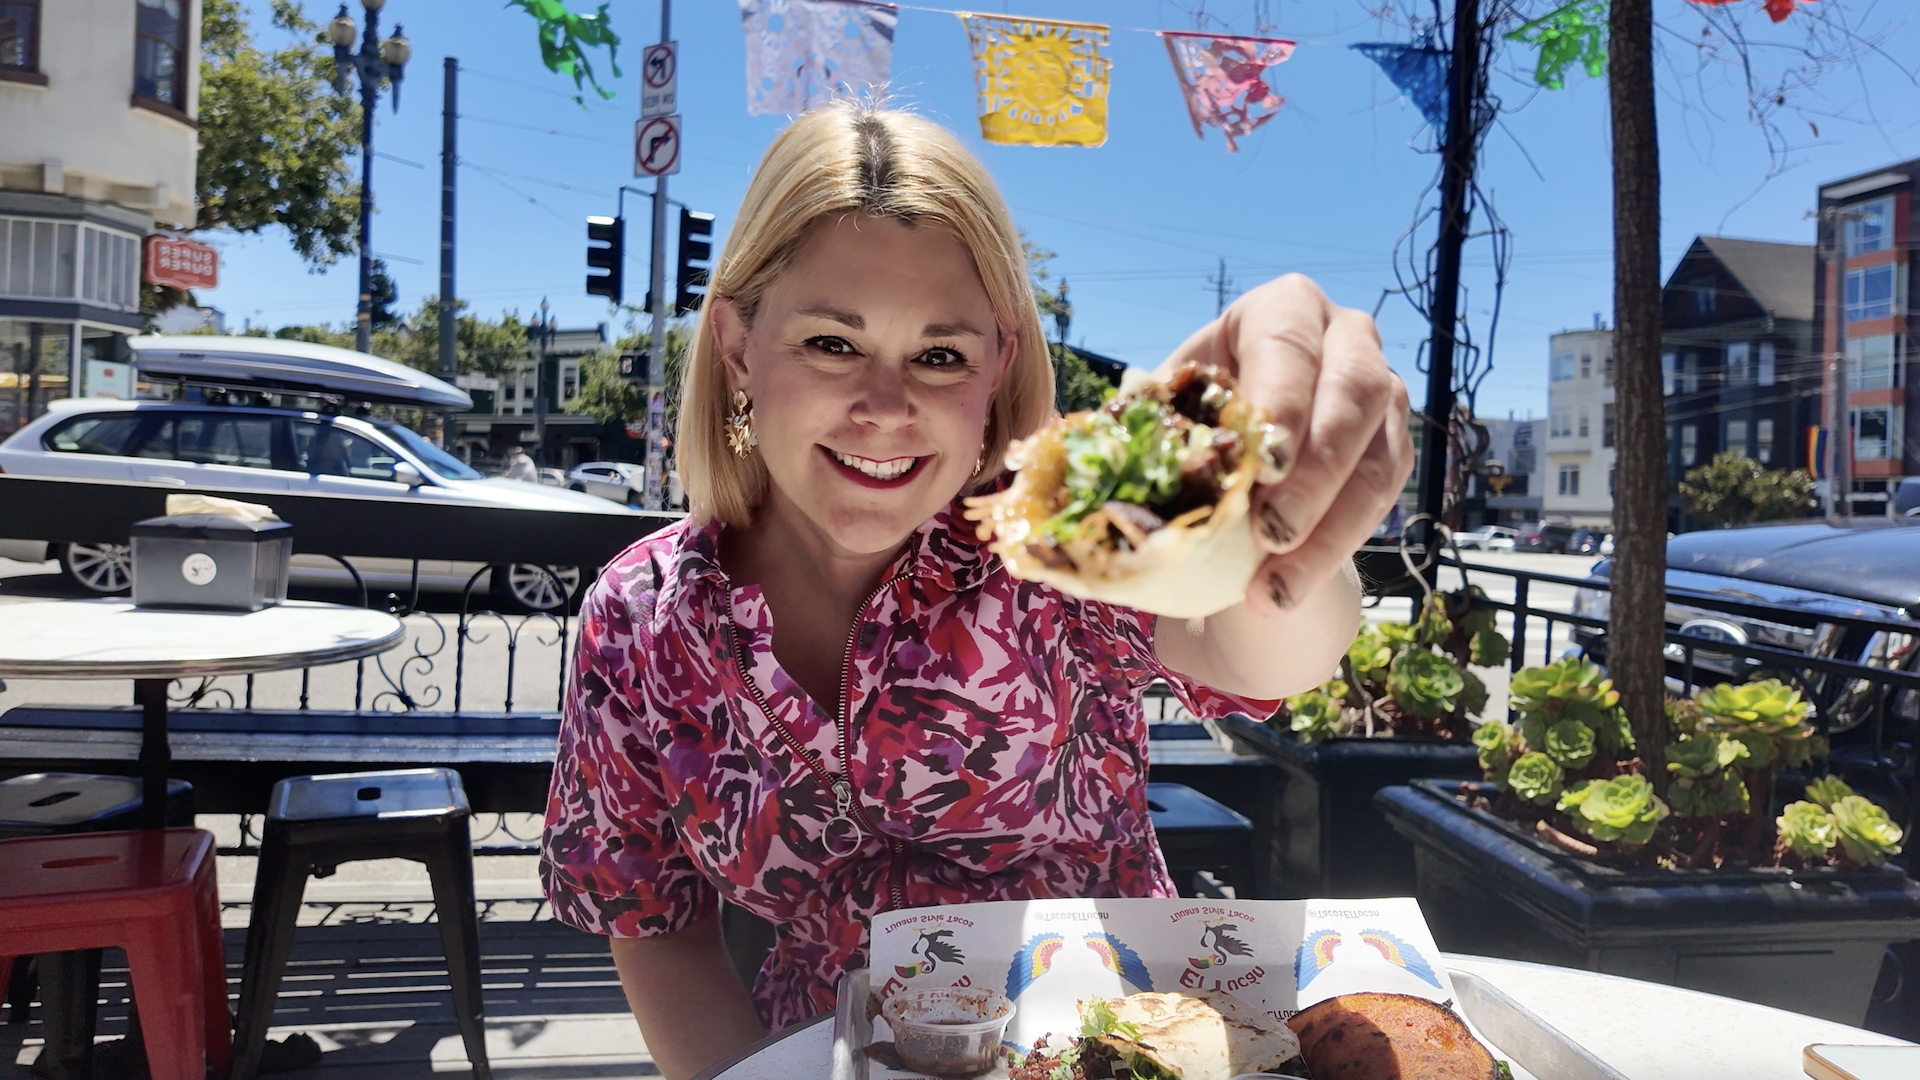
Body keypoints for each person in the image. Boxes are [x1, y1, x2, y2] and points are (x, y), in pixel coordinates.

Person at [541, 103, 1412, 1080]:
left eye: (940, 355)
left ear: (999, 368)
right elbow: (654, 922)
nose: (885, 408)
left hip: (1118, 1044)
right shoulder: (643, 617)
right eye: (832, 342)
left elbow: (1267, 651)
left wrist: (1284, 509)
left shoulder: (1051, 544)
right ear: (740, 346)